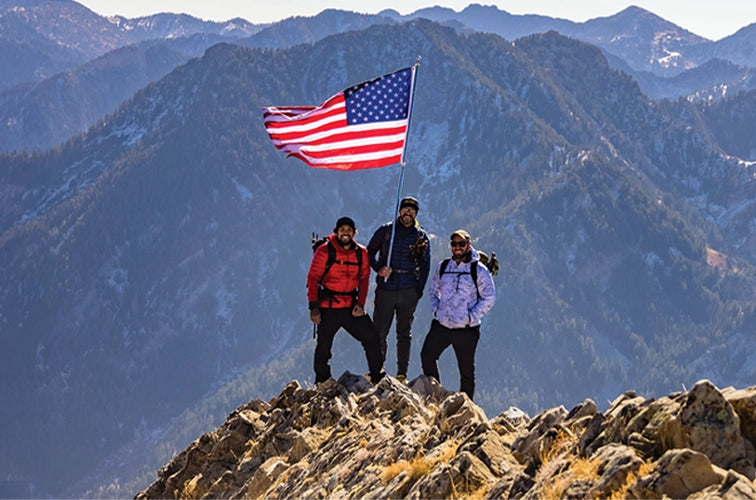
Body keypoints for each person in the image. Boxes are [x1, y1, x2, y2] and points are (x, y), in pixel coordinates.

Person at [307, 216, 385, 384]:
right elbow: (313, 279)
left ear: (354, 232)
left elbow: (364, 279)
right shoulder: (324, 251)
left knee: (371, 337)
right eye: (342, 230)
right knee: (323, 348)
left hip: (350, 306)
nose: (345, 233)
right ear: (336, 232)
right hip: (328, 307)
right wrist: (313, 307)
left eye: (349, 230)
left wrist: (360, 304)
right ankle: (323, 383)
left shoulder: (361, 253)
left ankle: (377, 375)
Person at [420, 229, 496, 400]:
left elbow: (489, 298)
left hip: (466, 329)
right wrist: (436, 310)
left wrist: (471, 317)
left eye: (461, 244)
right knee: (427, 356)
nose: (457, 247)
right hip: (442, 325)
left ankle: (464, 407)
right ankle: (436, 396)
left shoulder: (479, 270)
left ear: (469, 244)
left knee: (466, 370)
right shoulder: (444, 266)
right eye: (454, 244)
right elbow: (433, 290)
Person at [367, 197, 430, 382]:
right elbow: (369, 252)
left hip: (408, 289)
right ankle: (377, 370)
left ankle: (402, 373)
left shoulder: (421, 236)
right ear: (399, 211)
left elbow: (425, 265)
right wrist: (379, 268)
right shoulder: (387, 231)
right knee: (379, 331)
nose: (408, 213)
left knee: (404, 333)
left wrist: (418, 291)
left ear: (415, 214)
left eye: (412, 210)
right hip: (386, 287)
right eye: (405, 209)